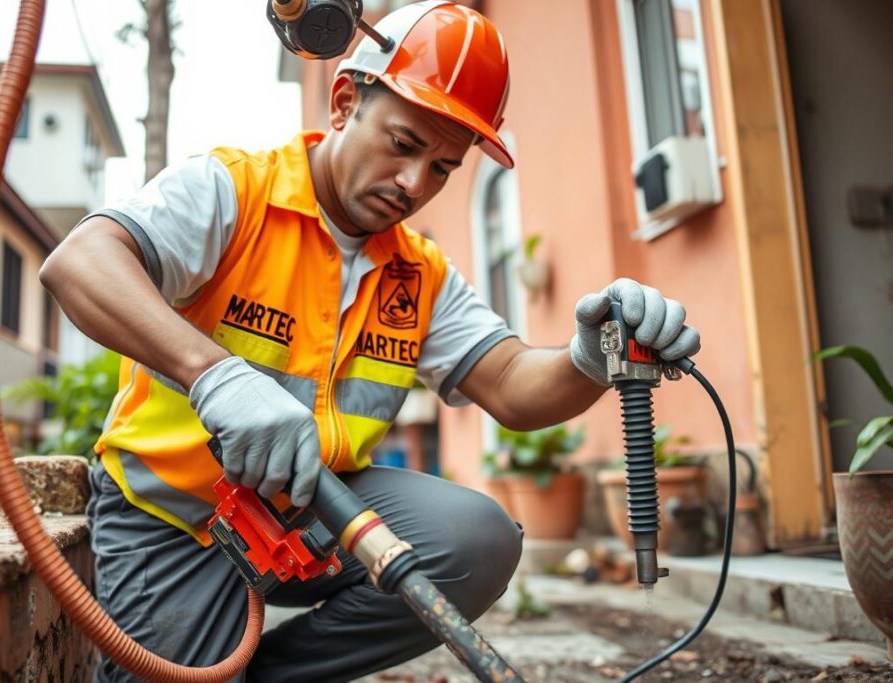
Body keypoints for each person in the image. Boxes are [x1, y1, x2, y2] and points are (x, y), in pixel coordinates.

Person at [40, 2, 701, 681]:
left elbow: (510, 383)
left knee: (473, 540)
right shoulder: (234, 191)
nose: (416, 184)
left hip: (311, 513)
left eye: (444, 168)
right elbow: (80, 262)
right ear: (344, 100)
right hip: (176, 518)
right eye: (405, 145)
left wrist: (586, 358)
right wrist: (213, 374)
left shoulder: (418, 270)